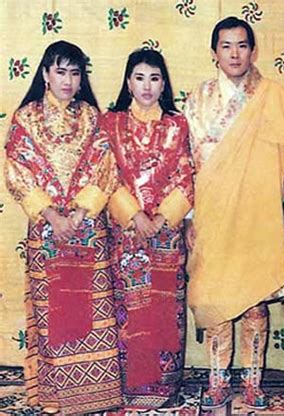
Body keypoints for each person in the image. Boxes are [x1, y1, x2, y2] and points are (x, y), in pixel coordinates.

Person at [4, 40, 122, 414]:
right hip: (47, 229)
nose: (68, 80)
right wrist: (52, 215)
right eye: (60, 71)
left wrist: (81, 212)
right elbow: (18, 171)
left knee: (91, 310)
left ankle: (94, 394)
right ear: (44, 74)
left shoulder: (91, 117)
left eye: (75, 72)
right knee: (53, 312)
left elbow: (103, 166)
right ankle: (56, 398)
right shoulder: (25, 120)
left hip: (87, 228)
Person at [183, 16, 284, 410]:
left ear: (253, 50)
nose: (235, 53)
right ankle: (217, 381)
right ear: (213, 53)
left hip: (258, 213)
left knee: (254, 300)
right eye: (226, 46)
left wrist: (283, 219)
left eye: (242, 45)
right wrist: (189, 218)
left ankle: (252, 383)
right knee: (216, 295)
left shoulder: (274, 96)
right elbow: (190, 164)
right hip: (212, 212)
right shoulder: (197, 99)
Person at [101, 49, 193, 409]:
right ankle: (133, 384)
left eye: (155, 78)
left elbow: (186, 176)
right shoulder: (110, 123)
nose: (147, 86)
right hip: (126, 234)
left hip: (166, 234)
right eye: (139, 78)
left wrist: (162, 218)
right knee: (131, 308)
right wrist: (135, 215)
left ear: (164, 83)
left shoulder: (177, 124)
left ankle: (165, 385)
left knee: (165, 308)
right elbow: (105, 175)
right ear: (128, 82)